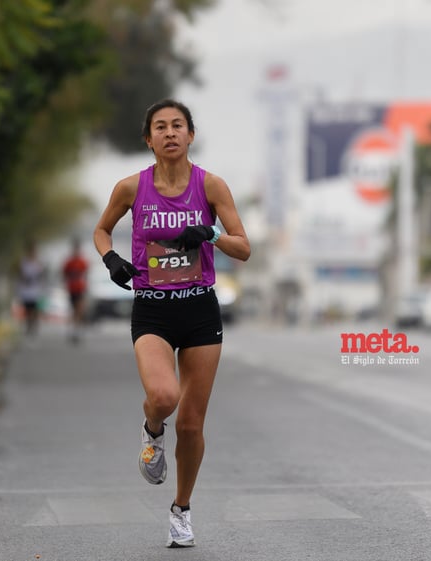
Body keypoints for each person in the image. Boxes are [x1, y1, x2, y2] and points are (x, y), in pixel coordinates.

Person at [92, 98, 250, 548]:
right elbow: (100, 229)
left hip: (200, 309)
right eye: (160, 127)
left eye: (178, 125)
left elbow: (244, 247)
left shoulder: (212, 186)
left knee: (192, 425)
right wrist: (111, 260)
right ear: (148, 139)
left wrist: (212, 234)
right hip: (153, 309)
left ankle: (181, 511)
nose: (170, 133)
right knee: (163, 397)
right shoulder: (130, 188)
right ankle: (150, 430)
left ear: (190, 135)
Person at [61, 238, 89, 344]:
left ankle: (77, 331)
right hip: (71, 288)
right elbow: (64, 273)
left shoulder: (82, 262)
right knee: (73, 311)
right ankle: (73, 330)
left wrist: (85, 286)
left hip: (80, 288)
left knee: (79, 309)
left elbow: (86, 274)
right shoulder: (69, 262)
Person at [17, 240, 47, 335]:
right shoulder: (24, 263)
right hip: (26, 291)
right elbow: (21, 276)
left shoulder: (38, 263)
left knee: (35, 310)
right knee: (28, 310)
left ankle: (33, 327)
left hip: (36, 291)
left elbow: (42, 275)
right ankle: (29, 327)